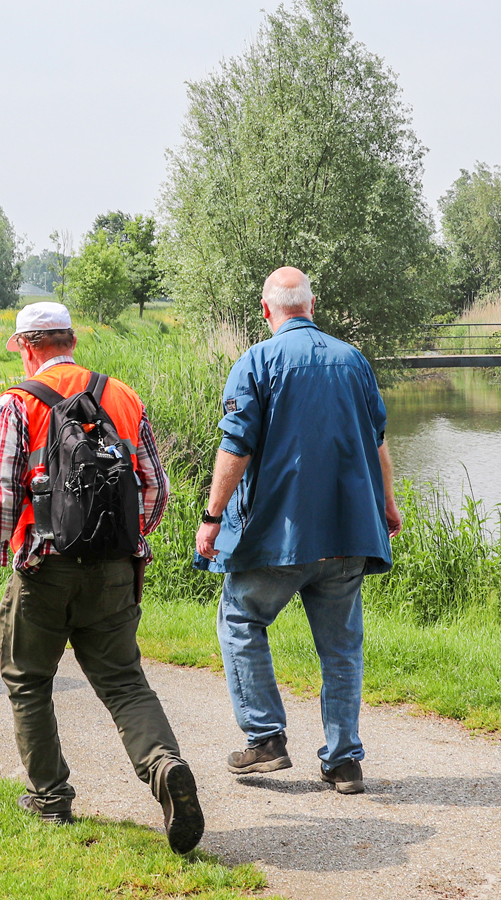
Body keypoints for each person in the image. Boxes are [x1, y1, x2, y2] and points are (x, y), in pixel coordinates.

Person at [0, 301, 203, 854]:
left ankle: (51, 797)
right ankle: (164, 766)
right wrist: (124, 540)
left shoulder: (16, 402)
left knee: (28, 680)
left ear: (27, 347)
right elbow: (156, 488)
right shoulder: (120, 395)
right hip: (115, 572)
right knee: (124, 682)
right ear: (70, 340)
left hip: (43, 567)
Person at [193, 267, 402, 795]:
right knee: (341, 649)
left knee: (240, 617)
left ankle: (265, 740)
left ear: (267, 311)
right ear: (312, 305)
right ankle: (344, 762)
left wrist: (213, 516)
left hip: (277, 538)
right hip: (347, 533)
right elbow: (376, 440)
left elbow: (236, 445)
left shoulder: (257, 362)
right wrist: (388, 505)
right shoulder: (353, 360)